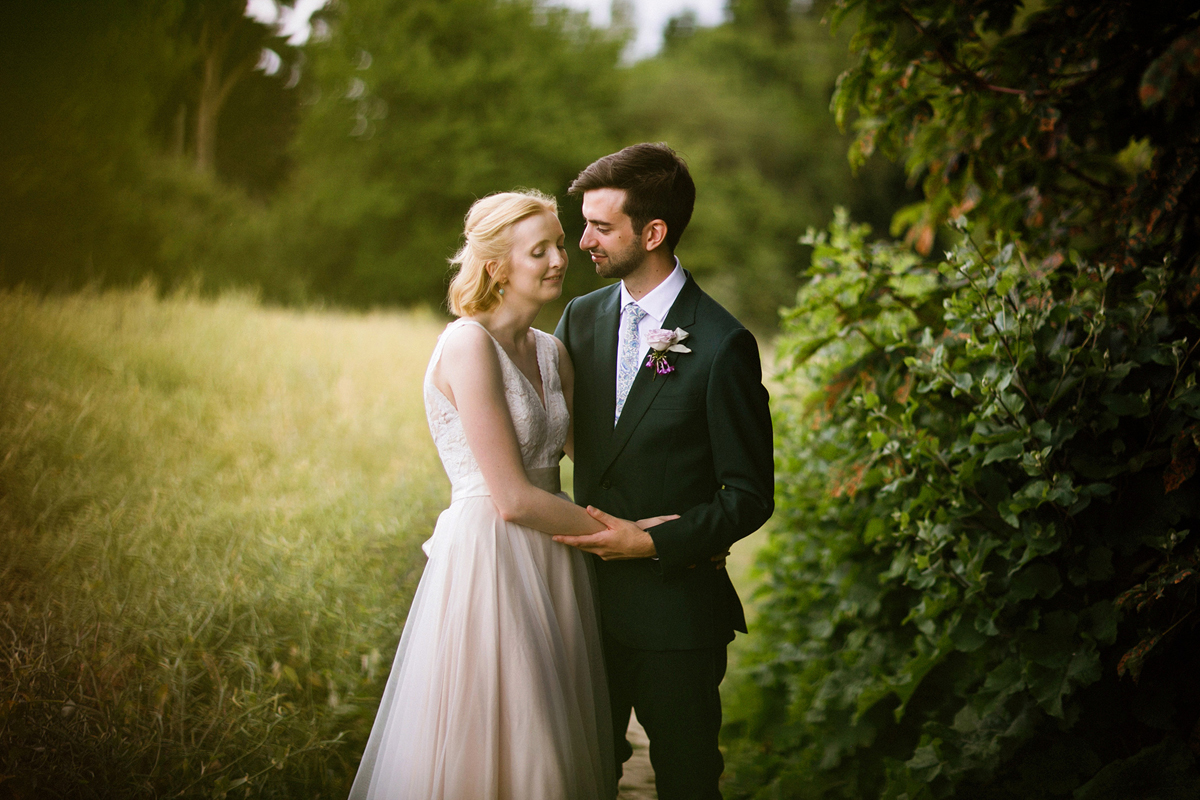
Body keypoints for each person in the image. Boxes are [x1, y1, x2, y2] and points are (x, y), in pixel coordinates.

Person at [349, 190, 662, 800]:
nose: (556, 261)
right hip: (491, 558)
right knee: (508, 732)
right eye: (537, 251)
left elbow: (595, 459)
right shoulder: (467, 345)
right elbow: (513, 498)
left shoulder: (552, 353)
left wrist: (672, 507)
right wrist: (626, 534)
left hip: (555, 558)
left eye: (560, 247)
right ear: (495, 266)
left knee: (557, 728)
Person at [553, 143, 775, 800]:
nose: (583, 240)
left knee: (685, 780)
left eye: (601, 226)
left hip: (677, 615)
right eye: (584, 221)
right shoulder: (580, 319)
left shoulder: (722, 341)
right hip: (581, 606)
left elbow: (749, 496)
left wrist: (649, 542)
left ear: (653, 233)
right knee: (580, 776)